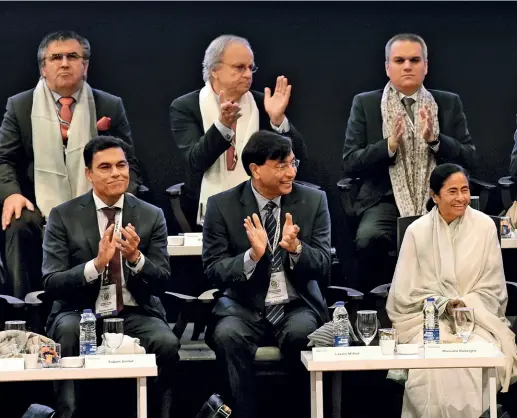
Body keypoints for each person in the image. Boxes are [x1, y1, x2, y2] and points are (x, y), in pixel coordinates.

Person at [42, 136, 178, 418]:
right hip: (78, 311)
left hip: (134, 310)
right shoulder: (63, 216)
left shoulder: (152, 215)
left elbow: (163, 279)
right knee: (67, 333)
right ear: (89, 174)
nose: (116, 173)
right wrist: (96, 264)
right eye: (105, 167)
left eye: (121, 165)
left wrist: (135, 259)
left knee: (166, 343)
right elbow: (51, 282)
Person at [0, 30, 142, 298]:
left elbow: (129, 162)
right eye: (56, 57)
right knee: (17, 222)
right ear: (43, 68)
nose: (64, 63)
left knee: (118, 215)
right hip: (36, 200)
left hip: (94, 198)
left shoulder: (108, 105)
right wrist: (11, 194)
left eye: (72, 56)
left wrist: (124, 194)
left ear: (85, 66)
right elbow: (3, 159)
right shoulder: (20, 106)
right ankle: (25, 311)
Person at [202, 130, 330, 418]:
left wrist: (297, 249)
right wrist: (252, 256)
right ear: (255, 170)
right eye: (281, 165)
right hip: (243, 305)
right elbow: (212, 269)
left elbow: (323, 264)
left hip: (295, 304)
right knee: (228, 336)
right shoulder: (221, 205)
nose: (291, 172)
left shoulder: (314, 201)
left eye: (293, 163)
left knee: (304, 335)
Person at [342, 33, 478, 294]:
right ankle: (379, 309)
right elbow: (351, 162)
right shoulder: (366, 103)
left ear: (426, 66)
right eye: (400, 60)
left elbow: (470, 157)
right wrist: (389, 145)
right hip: (384, 199)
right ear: (387, 67)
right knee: (368, 238)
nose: (407, 66)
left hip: (437, 199)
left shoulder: (448, 103)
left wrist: (436, 140)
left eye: (415, 60)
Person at [387, 163, 517, 418]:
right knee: (430, 367)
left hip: (477, 322)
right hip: (426, 323)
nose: (461, 198)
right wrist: (443, 305)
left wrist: (464, 305)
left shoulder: (485, 227)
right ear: (434, 196)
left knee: (469, 361)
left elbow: (494, 290)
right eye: (453, 191)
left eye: (465, 190)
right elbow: (404, 295)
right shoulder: (417, 232)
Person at [170, 34, 308, 228]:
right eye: (239, 67)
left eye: (251, 68)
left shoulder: (264, 104)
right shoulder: (186, 106)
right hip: (206, 209)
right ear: (214, 70)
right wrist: (223, 126)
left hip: (265, 206)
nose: (248, 74)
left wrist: (278, 120)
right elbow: (196, 161)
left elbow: (300, 158)